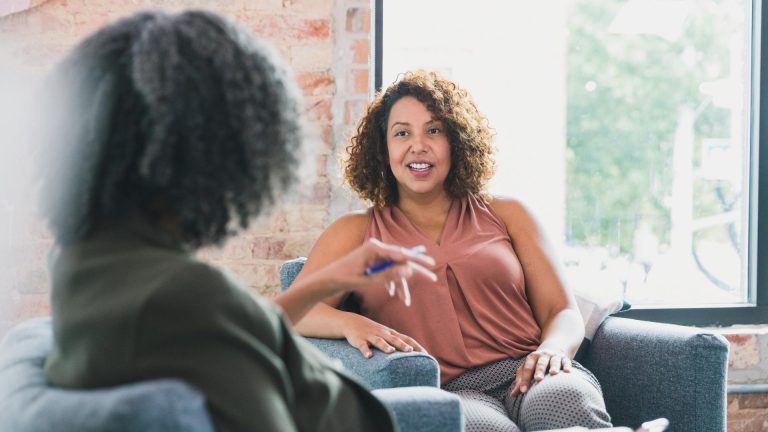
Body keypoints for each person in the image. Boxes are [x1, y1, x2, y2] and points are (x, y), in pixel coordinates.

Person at [39, 11, 436, 432]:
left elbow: (230, 327)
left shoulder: (81, 261)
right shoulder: (190, 295)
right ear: (226, 150)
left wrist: (329, 280)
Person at [293, 70, 614, 432]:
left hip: (532, 371)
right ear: (382, 149)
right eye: (402, 133)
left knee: (565, 400)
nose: (418, 145)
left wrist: (553, 350)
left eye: (434, 131)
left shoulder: (508, 214)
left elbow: (561, 310)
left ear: (456, 141)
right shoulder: (355, 232)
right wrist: (351, 322)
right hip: (452, 390)